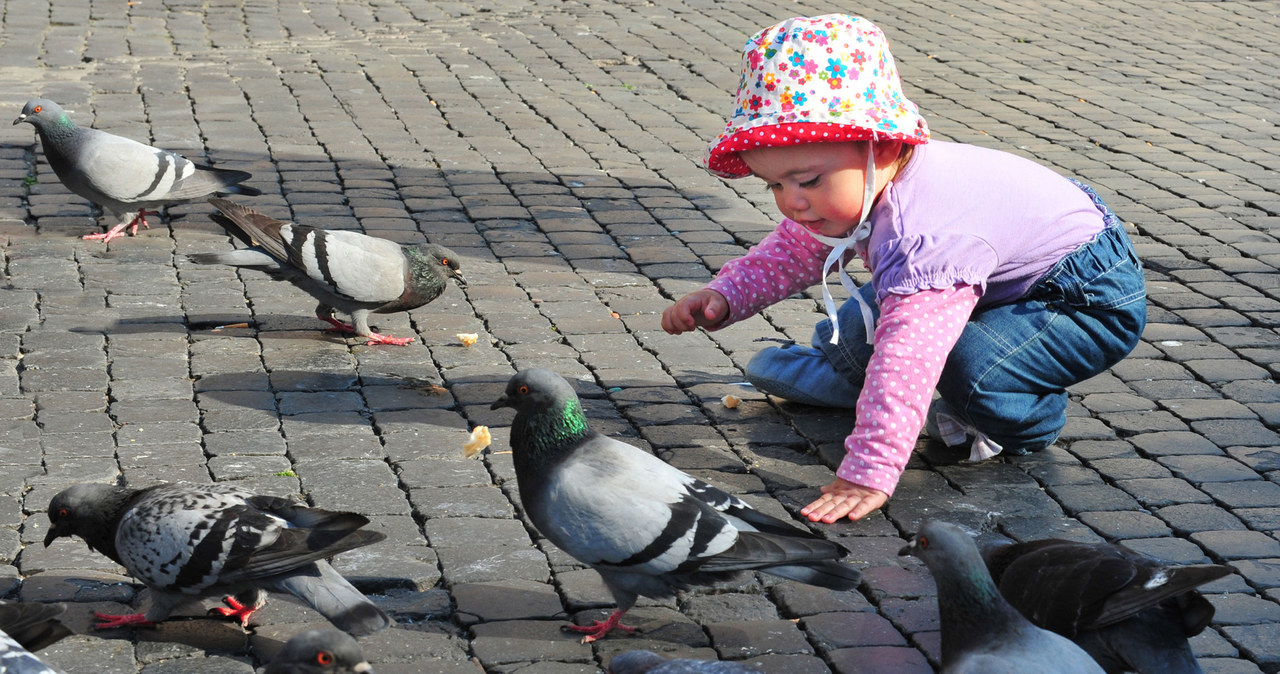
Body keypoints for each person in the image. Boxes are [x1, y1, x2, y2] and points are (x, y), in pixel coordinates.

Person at [660, 14, 1146, 523]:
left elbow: (908, 357)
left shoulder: (924, 236)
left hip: (1080, 298)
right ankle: (846, 376)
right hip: (981, 276)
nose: (793, 202)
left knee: (968, 370)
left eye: (805, 181)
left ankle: (1026, 416)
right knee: (858, 330)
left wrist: (868, 471)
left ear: (884, 148)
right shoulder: (867, 184)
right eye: (776, 186)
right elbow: (794, 249)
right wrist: (727, 294)